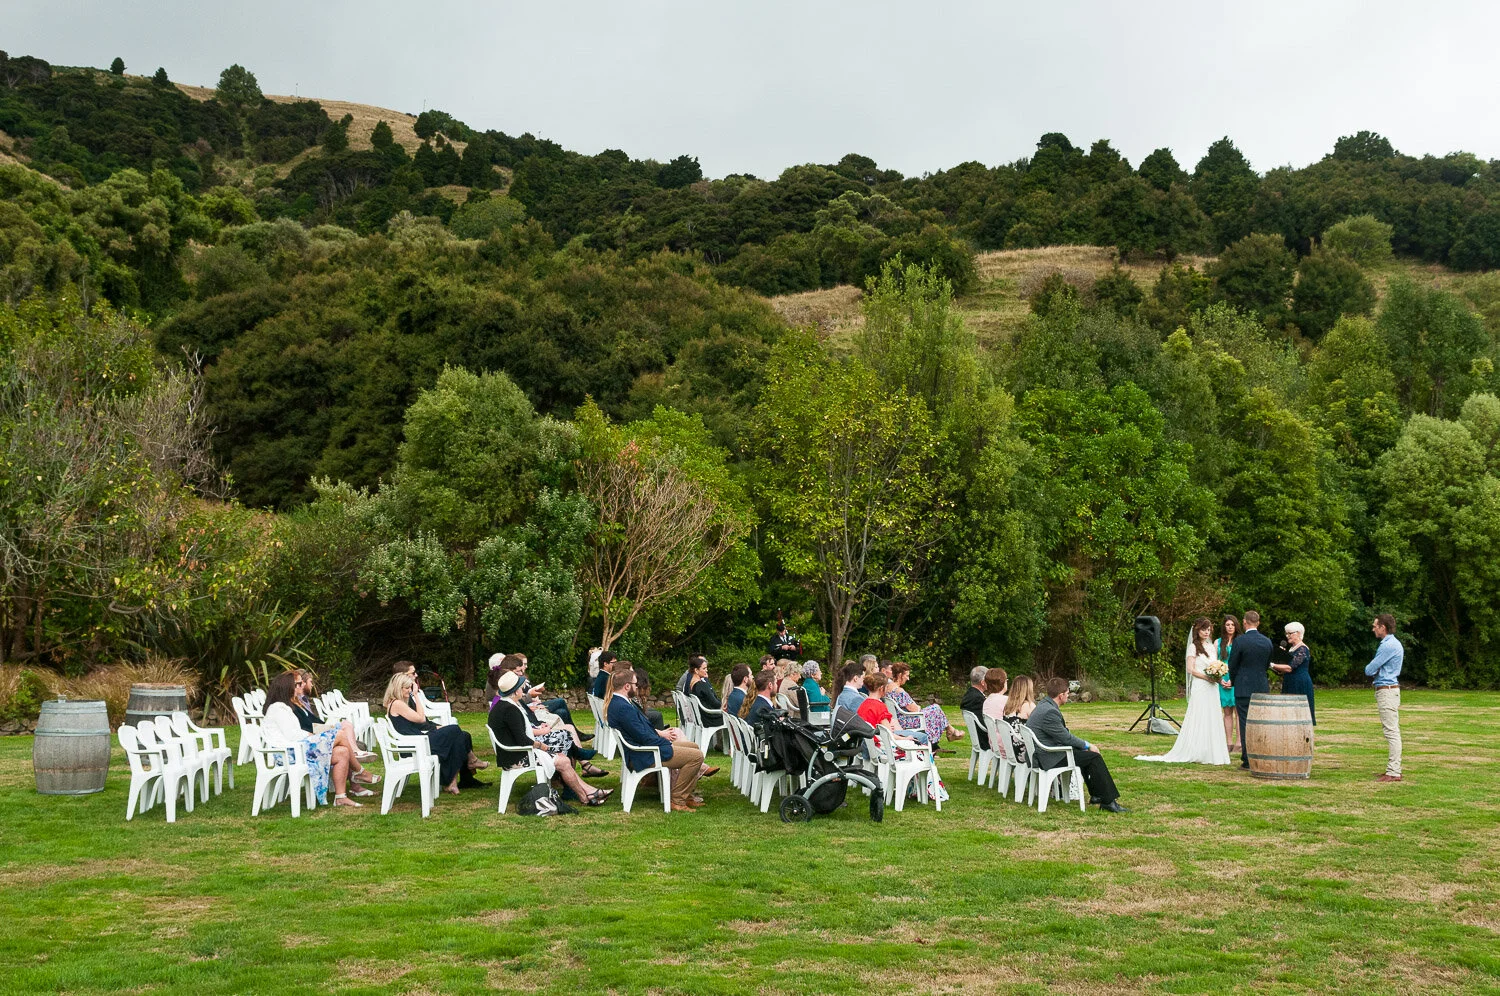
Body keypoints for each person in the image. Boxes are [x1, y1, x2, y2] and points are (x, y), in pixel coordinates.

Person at [488, 670, 611, 806]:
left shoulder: (504, 705)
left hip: (515, 753)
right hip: (517, 757)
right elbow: (523, 740)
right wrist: (542, 747)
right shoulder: (510, 710)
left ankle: (588, 793)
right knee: (563, 761)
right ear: (516, 691)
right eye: (521, 686)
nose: (523, 688)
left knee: (562, 758)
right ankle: (585, 795)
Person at [606, 667, 705, 812]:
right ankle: (678, 799)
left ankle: (686, 795)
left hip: (646, 749)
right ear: (627, 686)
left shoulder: (620, 702)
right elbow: (644, 737)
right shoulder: (622, 707)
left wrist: (665, 740)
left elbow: (644, 732)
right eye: (635, 685)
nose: (637, 687)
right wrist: (667, 743)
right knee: (696, 756)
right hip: (645, 754)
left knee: (693, 747)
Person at [1135, 617, 1230, 766]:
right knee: (1199, 715)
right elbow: (1190, 669)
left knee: (1212, 716)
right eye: (1204, 629)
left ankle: (1211, 751)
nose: (1206, 632)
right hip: (1201, 685)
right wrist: (1206, 677)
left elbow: (1215, 666)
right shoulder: (1193, 647)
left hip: (1212, 687)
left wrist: (1218, 678)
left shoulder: (1212, 647)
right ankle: (1196, 749)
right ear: (1197, 631)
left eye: (1209, 629)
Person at [262, 671, 362, 807]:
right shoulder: (278, 708)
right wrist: (312, 736)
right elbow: (293, 736)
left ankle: (340, 797)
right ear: (287, 687)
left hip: (298, 749)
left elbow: (297, 733)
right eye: (297, 684)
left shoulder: (287, 706)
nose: (300, 686)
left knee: (342, 751)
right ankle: (359, 771)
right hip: (288, 754)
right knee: (339, 734)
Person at [1029, 676, 1127, 812]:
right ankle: (1108, 801)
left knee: (1086, 756)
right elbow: (1066, 738)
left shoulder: (1043, 704)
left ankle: (1097, 795)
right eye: (1067, 693)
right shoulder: (1049, 712)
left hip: (1044, 752)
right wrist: (1088, 745)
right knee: (1094, 757)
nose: (1068, 696)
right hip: (1049, 757)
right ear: (1061, 695)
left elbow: (1061, 735)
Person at [383, 672, 483, 795]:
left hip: (417, 741)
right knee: (455, 730)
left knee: (462, 736)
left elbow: (420, 723)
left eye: (411, 688)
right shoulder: (397, 704)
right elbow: (421, 718)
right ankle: (470, 762)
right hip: (414, 745)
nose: (410, 690)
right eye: (407, 688)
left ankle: (452, 782)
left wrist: (436, 728)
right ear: (398, 688)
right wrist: (416, 695)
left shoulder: (399, 703)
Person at [1227, 610, 1273, 769]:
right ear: (1258, 623)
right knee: (1261, 722)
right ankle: (1262, 753)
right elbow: (1267, 665)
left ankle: (1247, 759)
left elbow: (1232, 664)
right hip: (1261, 686)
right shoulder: (1267, 641)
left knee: (1245, 722)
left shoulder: (1240, 641)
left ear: (1245, 622)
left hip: (1244, 687)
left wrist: (1233, 681)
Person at [886, 662, 964, 745]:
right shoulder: (899, 691)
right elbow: (915, 709)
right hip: (907, 720)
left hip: (899, 719)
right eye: (907, 676)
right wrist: (918, 706)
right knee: (935, 709)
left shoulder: (888, 687)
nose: (908, 679)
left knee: (935, 709)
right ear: (900, 675)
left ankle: (950, 730)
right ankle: (947, 734)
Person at [1366, 613, 1404, 782]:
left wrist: (1374, 669)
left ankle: (1394, 771)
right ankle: (1393, 769)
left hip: (1387, 691)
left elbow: (1370, 669)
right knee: (1391, 731)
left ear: (1383, 627)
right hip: (1388, 690)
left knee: (1391, 732)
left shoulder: (1388, 645)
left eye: (1375, 625)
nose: (1373, 628)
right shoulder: (1390, 644)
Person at [1278, 621, 1315, 725]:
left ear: (1298, 633)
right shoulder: (1291, 649)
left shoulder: (1302, 649)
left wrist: (1271, 665)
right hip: (1290, 681)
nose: (1287, 636)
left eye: (1290, 633)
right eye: (1287, 633)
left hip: (1299, 682)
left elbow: (1290, 668)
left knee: (1299, 713)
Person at [1215, 615, 1240, 754]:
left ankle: (1239, 742)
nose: (1230, 627)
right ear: (1224, 627)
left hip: (1236, 678)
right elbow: (1214, 662)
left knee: (1238, 711)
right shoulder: (1218, 642)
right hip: (1223, 678)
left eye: (1232, 624)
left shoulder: (1240, 641)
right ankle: (1228, 741)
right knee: (1227, 712)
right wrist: (1219, 679)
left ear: (1236, 626)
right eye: (1227, 625)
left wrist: (1234, 679)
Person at [686, 655, 725, 728]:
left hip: (703, 716)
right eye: (704, 668)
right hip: (710, 718)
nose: (706, 670)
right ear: (696, 670)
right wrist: (726, 706)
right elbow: (715, 703)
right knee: (733, 718)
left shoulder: (692, 683)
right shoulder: (700, 685)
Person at [960, 666, 991, 751]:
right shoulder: (977, 699)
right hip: (985, 741)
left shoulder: (969, 695)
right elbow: (986, 723)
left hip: (978, 738)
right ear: (983, 682)